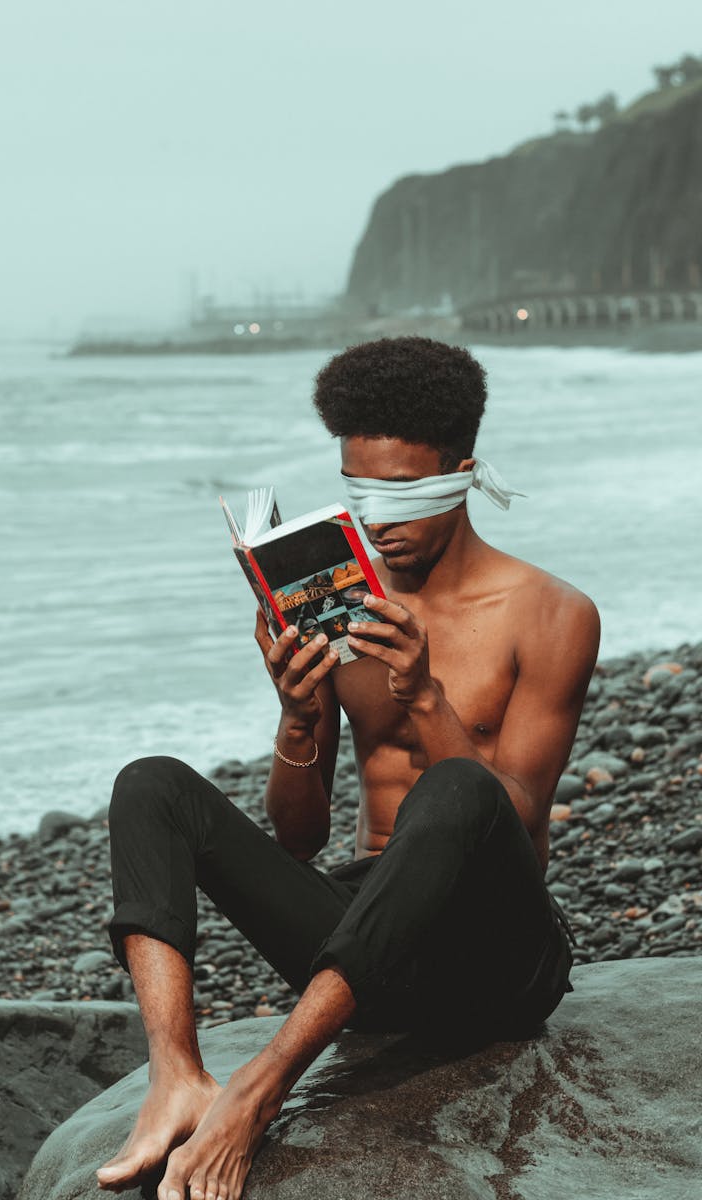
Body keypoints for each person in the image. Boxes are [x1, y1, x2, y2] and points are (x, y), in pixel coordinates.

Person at [96, 337, 600, 1200]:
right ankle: (177, 1074)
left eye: (404, 491)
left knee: (456, 786)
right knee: (150, 784)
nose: (380, 518)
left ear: (463, 471)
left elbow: (510, 823)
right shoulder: (344, 606)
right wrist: (298, 716)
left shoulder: (551, 613)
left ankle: (259, 1088)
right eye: (360, 491)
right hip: (366, 956)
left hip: (497, 960)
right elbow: (299, 838)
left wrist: (424, 694)